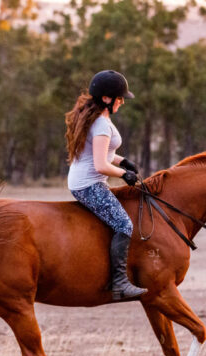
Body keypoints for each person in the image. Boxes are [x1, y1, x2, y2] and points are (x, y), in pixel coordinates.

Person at [65, 70, 147, 300]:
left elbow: (104, 154)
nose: (122, 102)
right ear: (107, 99)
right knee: (124, 224)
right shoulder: (101, 124)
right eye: (119, 98)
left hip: (85, 180)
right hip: (89, 184)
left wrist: (123, 161)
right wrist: (124, 174)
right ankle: (119, 283)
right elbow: (101, 164)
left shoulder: (99, 119)